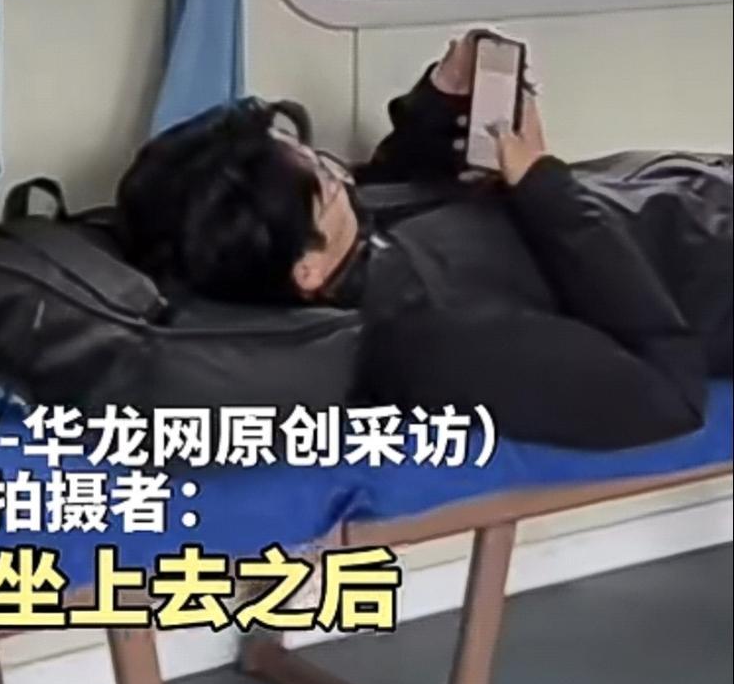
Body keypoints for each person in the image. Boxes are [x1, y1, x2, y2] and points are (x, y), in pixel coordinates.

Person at [115, 36, 732, 451]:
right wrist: (546, 188)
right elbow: (667, 396)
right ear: (306, 270)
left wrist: (439, 98)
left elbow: (402, 198)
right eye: (325, 179)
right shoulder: (439, 342)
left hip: (688, 196)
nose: (340, 172)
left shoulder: (341, 250)